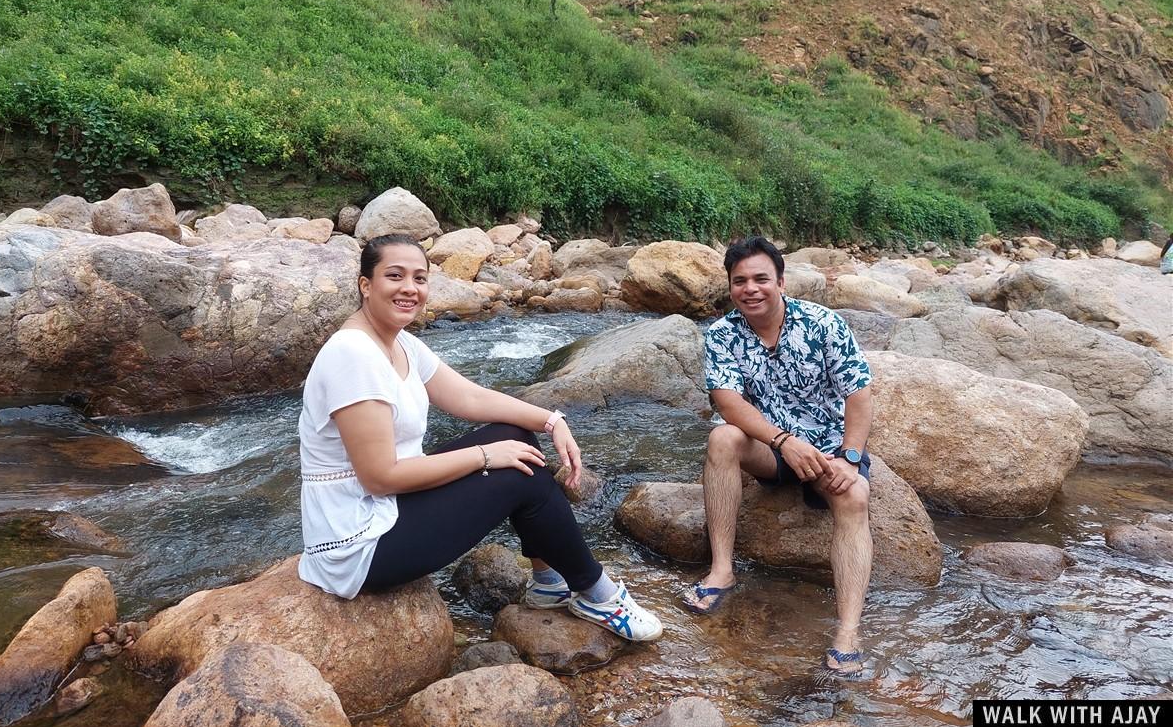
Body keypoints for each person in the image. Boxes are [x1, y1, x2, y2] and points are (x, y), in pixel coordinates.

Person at [297, 233, 662, 642]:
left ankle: (550, 582)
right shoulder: (353, 356)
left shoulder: (399, 343)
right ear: (366, 285)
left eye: (420, 278)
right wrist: (485, 456)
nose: (410, 289)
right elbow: (379, 477)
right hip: (358, 545)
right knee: (515, 471)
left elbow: (469, 397)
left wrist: (551, 420)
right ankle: (596, 592)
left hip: (388, 507)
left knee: (517, 434)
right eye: (394, 276)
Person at [682, 236, 873, 675]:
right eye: (740, 281)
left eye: (761, 279)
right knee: (722, 439)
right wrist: (783, 441)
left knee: (855, 497)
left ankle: (847, 632)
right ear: (731, 287)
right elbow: (728, 402)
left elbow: (859, 396)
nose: (751, 289)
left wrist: (848, 455)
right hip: (772, 448)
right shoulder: (722, 334)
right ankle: (722, 571)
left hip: (828, 447)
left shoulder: (824, 324)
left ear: (781, 282)